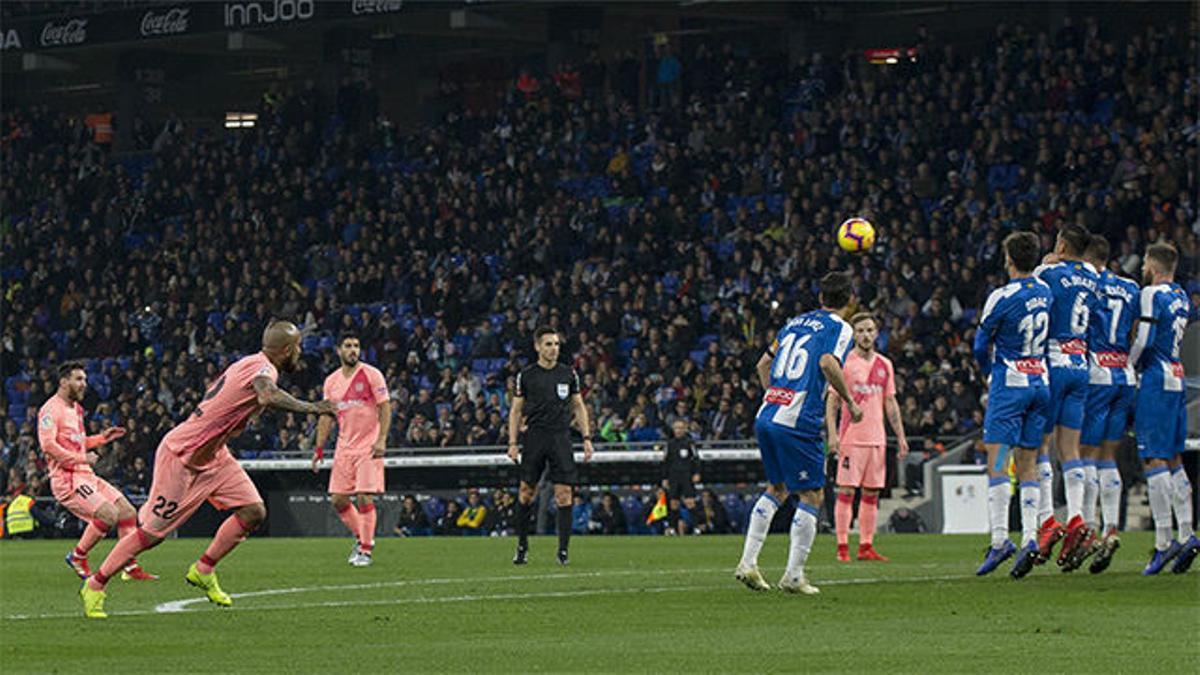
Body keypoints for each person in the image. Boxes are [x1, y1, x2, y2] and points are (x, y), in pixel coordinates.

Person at [79, 321, 336, 619]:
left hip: (214, 455)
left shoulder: (249, 363)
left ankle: (204, 568)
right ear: (287, 350)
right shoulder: (263, 369)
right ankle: (95, 585)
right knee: (151, 535)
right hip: (182, 456)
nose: (301, 353)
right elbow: (268, 395)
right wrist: (315, 408)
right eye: (299, 347)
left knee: (253, 511)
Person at [734, 272, 860, 595]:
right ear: (849, 300)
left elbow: (763, 364)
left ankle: (748, 563)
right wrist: (850, 401)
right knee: (812, 495)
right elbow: (828, 362)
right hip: (798, 419)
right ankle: (793, 575)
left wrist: (775, 395)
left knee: (776, 488)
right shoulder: (841, 328)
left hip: (768, 413)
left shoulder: (794, 323)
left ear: (820, 298)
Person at [971, 232, 1053, 578]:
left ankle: (1001, 539)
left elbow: (979, 345)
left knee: (999, 461)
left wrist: (990, 374)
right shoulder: (1046, 292)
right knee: (1029, 462)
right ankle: (1032, 537)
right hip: (1041, 383)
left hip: (1011, 384)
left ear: (1008, 258)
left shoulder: (1001, 297)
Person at [38, 361, 157, 582]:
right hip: (68, 478)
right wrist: (82, 458)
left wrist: (102, 438)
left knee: (128, 512)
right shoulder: (50, 410)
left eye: (84, 379)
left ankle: (128, 566)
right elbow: (48, 446)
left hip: (85, 475)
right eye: (79, 379)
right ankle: (77, 556)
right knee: (108, 515)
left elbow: (77, 442)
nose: (85, 384)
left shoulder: (76, 409)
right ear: (64, 382)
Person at [1032, 224, 1101, 569]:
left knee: (1042, 446)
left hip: (1054, 362)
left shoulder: (1048, 272)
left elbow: (1030, 296)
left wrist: (1044, 264)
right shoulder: (1091, 274)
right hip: (1081, 363)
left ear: (1060, 244)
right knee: (1070, 449)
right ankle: (1076, 517)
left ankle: (1048, 520)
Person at [1128, 243, 1195, 575]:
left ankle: (1164, 541)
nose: (1142, 268)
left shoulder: (1151, 294)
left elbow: (1145, 339)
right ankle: (1187, 533)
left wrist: (1129, 366)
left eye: (1143, 263)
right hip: (1177, 375)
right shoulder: (1182, 296)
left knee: (1153, 457)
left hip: (1155, 377)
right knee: (1173, 457)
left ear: (1152, 266)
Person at [825, 313, 909, 563]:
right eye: (860, 330)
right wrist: (832, 435)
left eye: (870, 330)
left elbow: (890, 403)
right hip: (851, 438)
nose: (866, 335)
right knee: (847, 491)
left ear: (876, 332)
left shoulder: (885, 364)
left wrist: (901, 437)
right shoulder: (845, 363)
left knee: (872, 493)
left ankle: (865, 546)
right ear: (854, 334)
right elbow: (832, 402)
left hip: (877, 439)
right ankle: (842, 546)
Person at [507, 326, 593, 566]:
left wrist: (586, 438)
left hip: (561, 437)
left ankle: (563, 552)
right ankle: (522, 546)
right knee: (526, 493)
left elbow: (578, 406)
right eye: (548, 344)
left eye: (556, 344)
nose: (554, 349)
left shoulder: (568, 374)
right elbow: (516, 411)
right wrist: (513, 443)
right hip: (535, 437)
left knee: (565, 495)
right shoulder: (526, 375)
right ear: (537, 347)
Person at [1077, 235, 1138, 573]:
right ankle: (1111, 526)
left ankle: (1086, 528)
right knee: (1107, 457)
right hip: (1124, 374)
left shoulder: (1088, 286)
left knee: (1085, 454)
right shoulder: (1129, 287)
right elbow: (1132, 332)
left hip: (1097, 373)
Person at [311, 333, 391, 567]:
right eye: (348, 346)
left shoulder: (371, 374)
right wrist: (318, 449)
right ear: (339, 351)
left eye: (356, 345)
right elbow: (326, 416)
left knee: (364, 495)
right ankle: (363, 537)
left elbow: (385, 407)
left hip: (368, 446)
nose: (353, 350)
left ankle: (365, 550)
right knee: (338, 500)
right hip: (344, 447)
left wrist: (382, 439)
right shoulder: (331, 381)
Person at [661, 419, 701, 501]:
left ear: (685, 429)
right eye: (676, 428)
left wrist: (697, 473)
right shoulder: (669, 444)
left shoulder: (690, 442)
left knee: (690, 500)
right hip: (673, 476)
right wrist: (664, 477)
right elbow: (666, 461)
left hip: (687, 475)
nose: (678, 430)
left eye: (680, 428)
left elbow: (696, 458)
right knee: (673, 501)